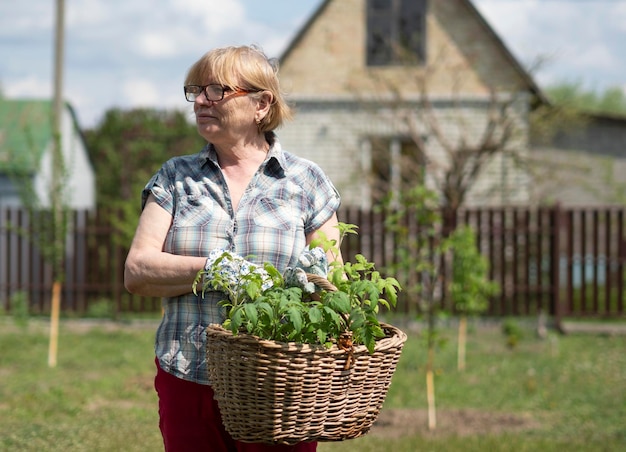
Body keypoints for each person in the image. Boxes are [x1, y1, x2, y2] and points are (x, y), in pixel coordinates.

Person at [124, 45, 342, 452]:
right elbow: (138, 270)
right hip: (188, 371)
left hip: (281, 383)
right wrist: (216, 268)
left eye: (217, 90)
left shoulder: (306, 181)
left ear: (262, 104)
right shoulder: (175, 178)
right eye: (196, 90)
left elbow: (334, 284)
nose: (202, 100)